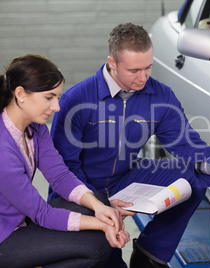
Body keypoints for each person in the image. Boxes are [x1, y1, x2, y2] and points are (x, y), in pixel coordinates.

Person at [49, 22, 210, 268]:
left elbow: (183, 140)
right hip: (81, 189)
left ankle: (150, 254)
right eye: (134, 70)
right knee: (106, 258)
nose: (143, 78)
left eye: (148, 68)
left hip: (125, 178)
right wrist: (99, 203)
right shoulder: (76, 99)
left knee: (190, 180)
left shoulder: (160, 95)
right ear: (112, 63)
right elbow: (64, 166)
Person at [0, 54, 130, 268]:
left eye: (57, 97)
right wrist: (104, 225)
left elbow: (59, 176)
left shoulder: (34, 126)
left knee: (97, 199)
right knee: (97, 246)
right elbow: (42, 213)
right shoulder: (3, 149)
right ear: (21, 94)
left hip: (22, 220)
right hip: (5, 237)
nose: (57, 107)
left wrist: (99, 209)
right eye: (49, 97)